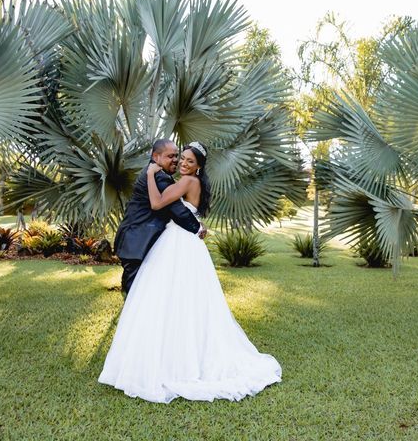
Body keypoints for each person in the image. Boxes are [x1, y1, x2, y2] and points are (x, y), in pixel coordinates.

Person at [98, 141, 282, 403]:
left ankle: (168, 358)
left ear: (198, 166)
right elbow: (182, 210)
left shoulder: (182, 181)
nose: (182, 163)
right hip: (181, 241)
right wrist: (196, 225)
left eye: (187, 160)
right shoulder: (188, 182)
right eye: (180, 158)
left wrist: (151, 175)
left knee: (167, 297)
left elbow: (158, 203)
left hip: (178, 242)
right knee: (184, 298)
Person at [113, 139, 206, 295]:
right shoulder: (159, 177)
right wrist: (197, 227)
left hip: (139, 237)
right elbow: (177, 209)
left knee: (141, 287)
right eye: (171, 156)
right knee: (135, 288)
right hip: (138, 238)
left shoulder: (160, 174)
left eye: (177, 156)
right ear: (156, 157)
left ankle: (134, 317)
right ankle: (132, 318)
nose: (176, 160)